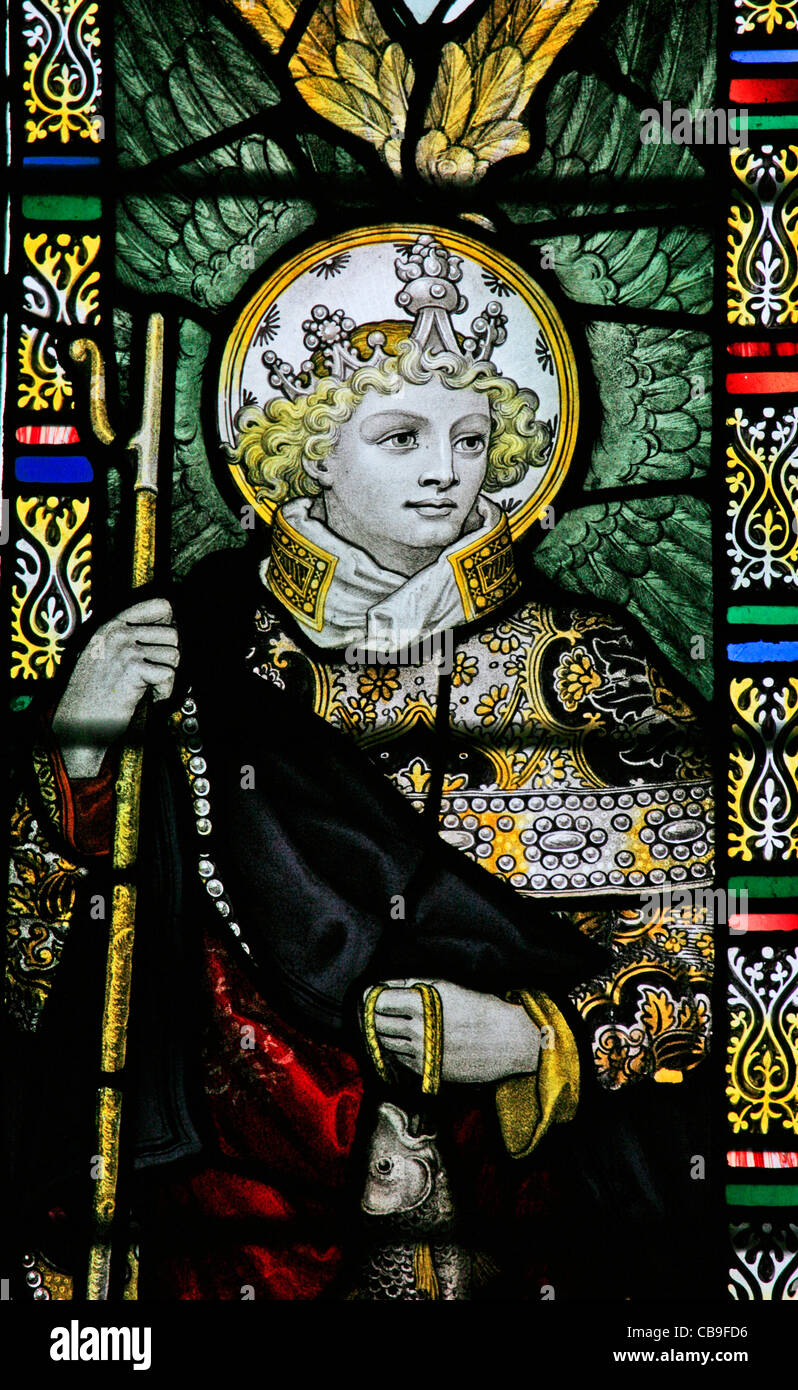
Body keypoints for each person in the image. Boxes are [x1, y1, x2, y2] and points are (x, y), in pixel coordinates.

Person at [5, 235, 714, 1300]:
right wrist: (82, 747)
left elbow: (732, 939)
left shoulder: (579, 667)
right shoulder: (191, 651)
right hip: (222, 1237)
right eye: (401, 434)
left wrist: (537, 1037)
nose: (447, 468)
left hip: (518, 1242)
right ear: (308, 451)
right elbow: (30, 979)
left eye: (474, 436)